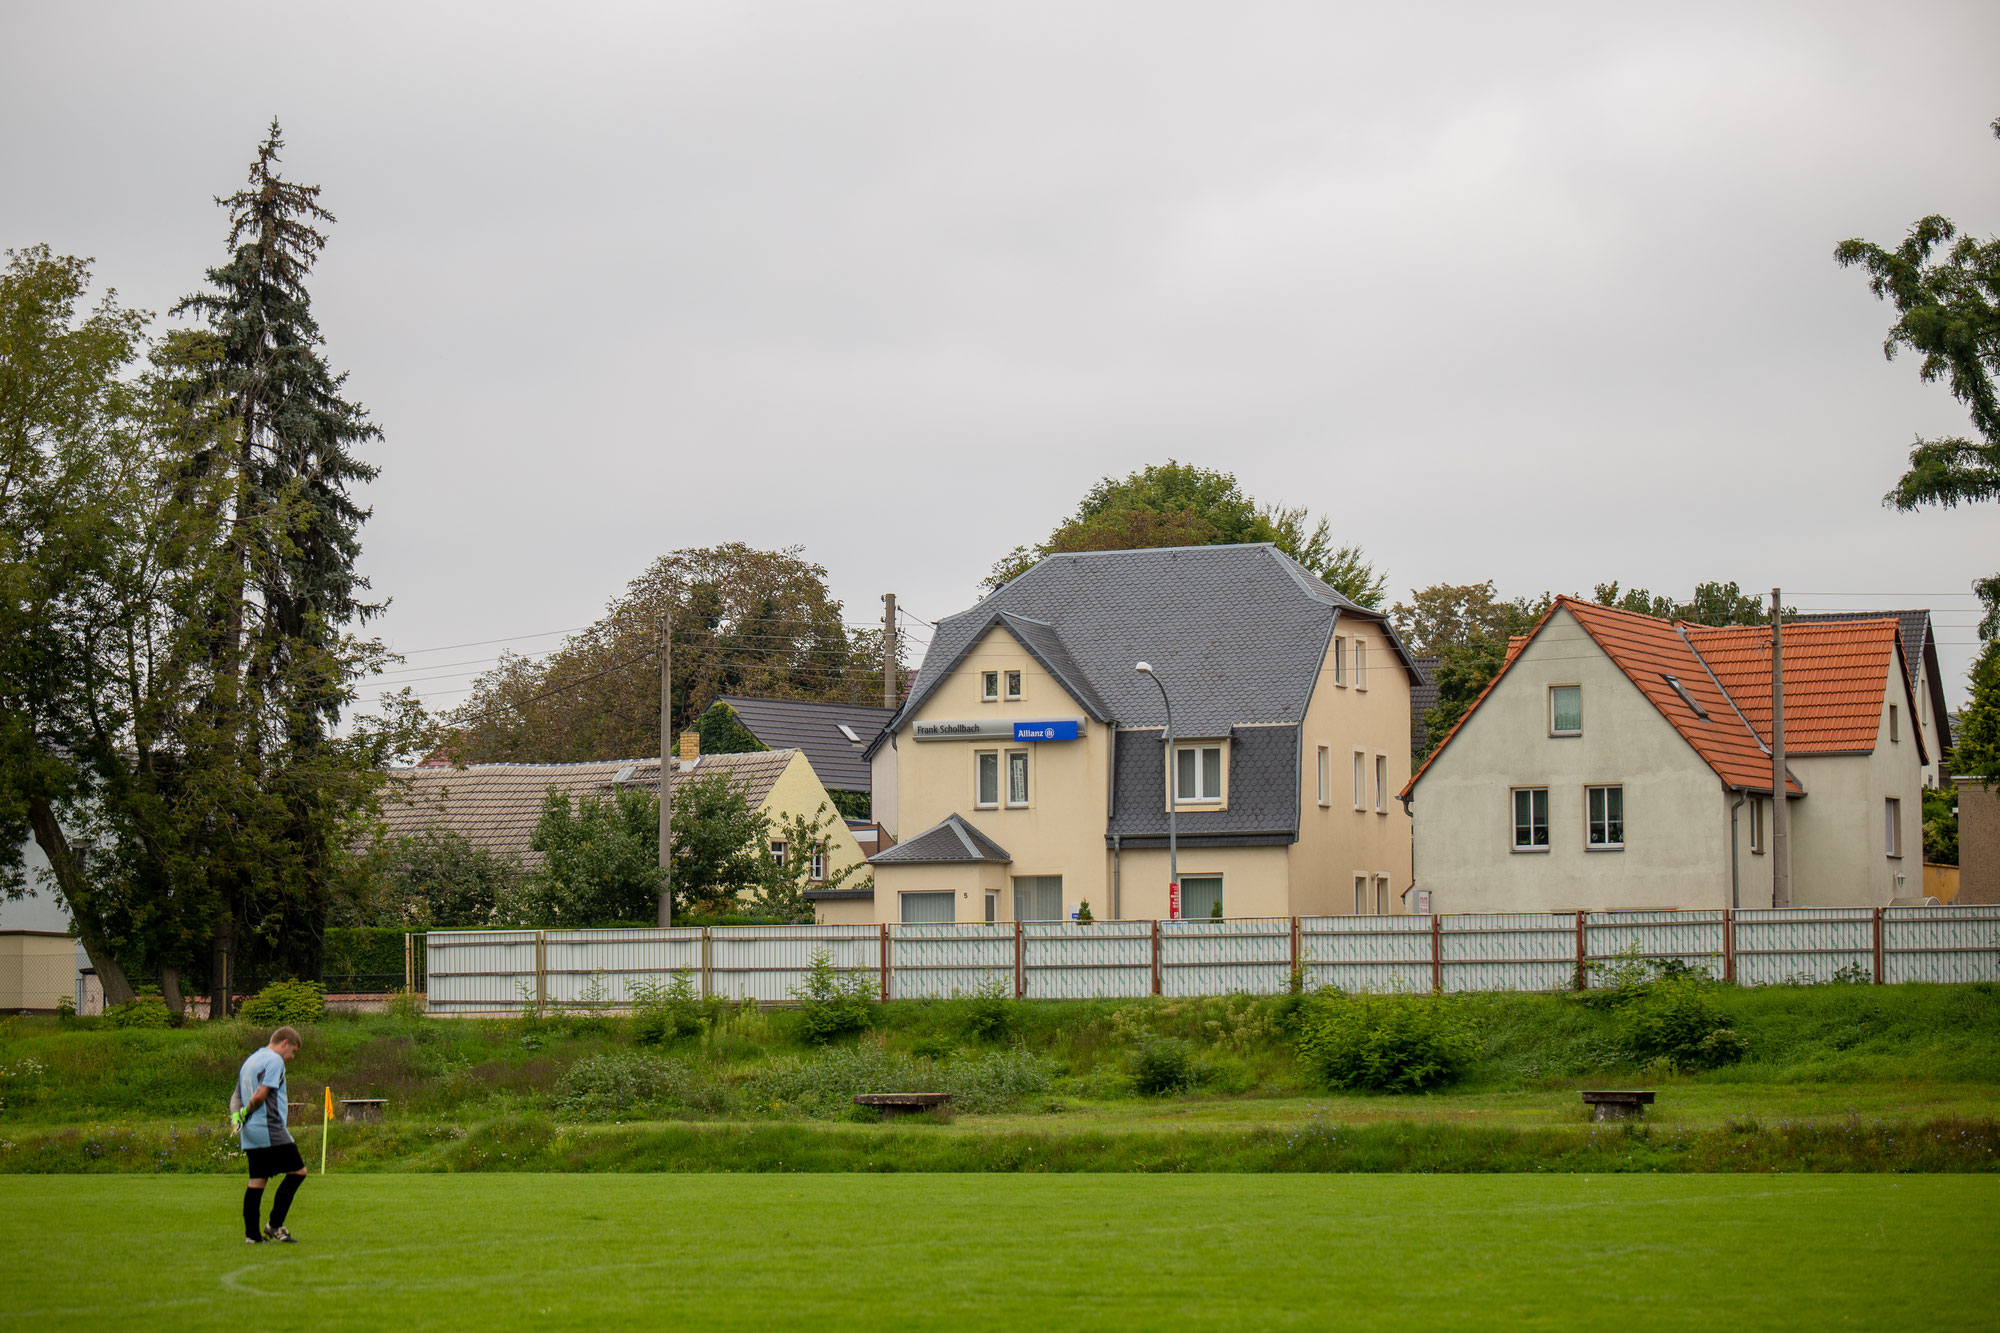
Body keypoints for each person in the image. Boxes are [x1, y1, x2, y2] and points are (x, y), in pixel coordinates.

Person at [233, 1026, 307, 1244]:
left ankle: (252, 1236)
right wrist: (247, 1110)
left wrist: (236, 1117)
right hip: (270, 1127)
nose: (292, 1057)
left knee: (257, 1180)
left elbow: (236, 1096)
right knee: (299, 1172)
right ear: (284, 1043)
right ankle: (274, 1225)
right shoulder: (275, 1060)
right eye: (292, 1051)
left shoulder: (251, 1060)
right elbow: (260, 1094)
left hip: (250, 1132)